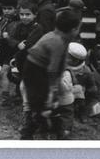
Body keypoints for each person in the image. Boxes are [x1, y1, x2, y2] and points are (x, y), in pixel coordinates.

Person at [19, 9, 80, 140]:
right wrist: (53, 88)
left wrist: (58, 80)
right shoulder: (56, 40)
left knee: (51, 102)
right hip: (34, 70)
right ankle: (28, 133)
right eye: (78, 28)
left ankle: (56, 129)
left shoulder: (64, 38)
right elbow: (52, 68)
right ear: (74, 29)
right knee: (43, 104)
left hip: (43, 70)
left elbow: (61, 63)